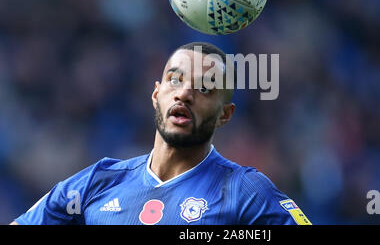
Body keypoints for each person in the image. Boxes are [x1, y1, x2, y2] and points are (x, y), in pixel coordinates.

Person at [11, 42, 311, 225]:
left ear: (225, 114)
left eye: (204, 88)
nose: (184, 94)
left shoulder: (245, 192)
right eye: (174, 80)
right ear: (156, 94)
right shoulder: (97, 182)